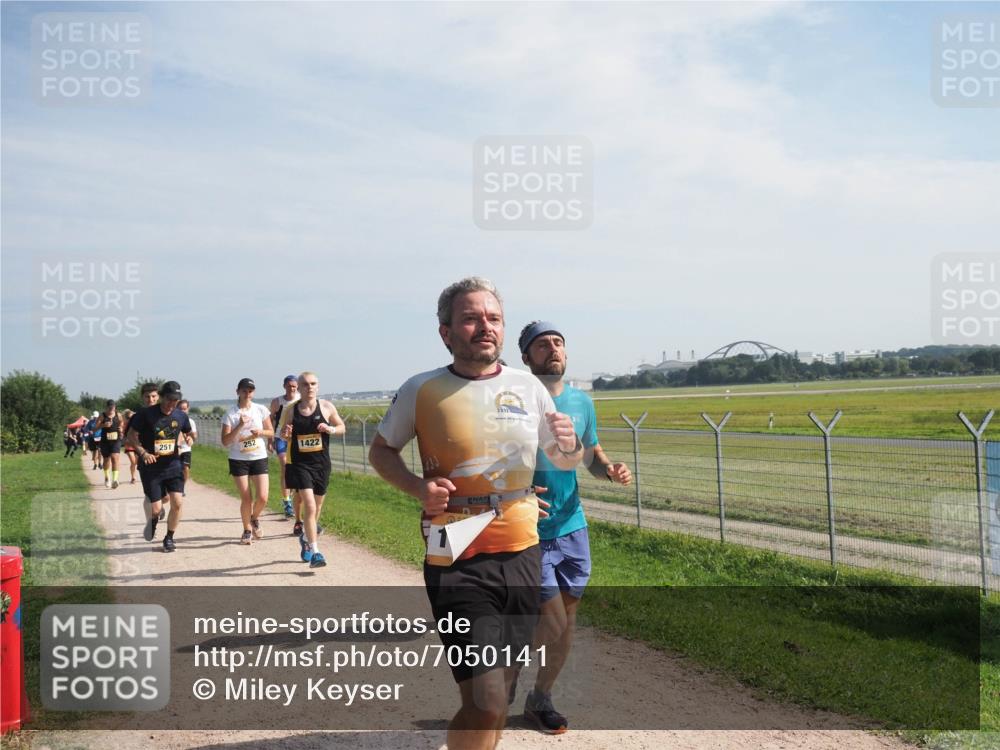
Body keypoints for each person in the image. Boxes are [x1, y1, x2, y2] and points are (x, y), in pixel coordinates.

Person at [369, 277, 582, 750]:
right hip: (454, 548)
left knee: (494, 698)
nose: (484, 326)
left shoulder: (528, 387)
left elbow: (563, 458)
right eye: (470, 318)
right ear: (446, 332)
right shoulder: (422, 389)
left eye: (493, 318)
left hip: (523, 547)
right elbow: (382, 451)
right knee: (487, 700)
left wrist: (571, 444)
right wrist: (417, 487)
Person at [515, 321, 632, 734]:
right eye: (542, 345)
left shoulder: (582, 402)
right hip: (528, 529)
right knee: (552, 622)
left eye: (559, 343)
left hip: (572, 526)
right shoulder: (513, 402)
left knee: (566, 618)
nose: (553, 349)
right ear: (526, 357)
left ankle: (540, 697)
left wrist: (610, 470)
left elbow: (591, 457)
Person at [279, 371, 344, 569]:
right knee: (310, 505)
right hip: (300, 464)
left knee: (317, 506)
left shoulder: (326, 407)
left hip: (321, 464)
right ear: (299, 387)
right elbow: (282, 434)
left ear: (318, 386)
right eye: (305, 384)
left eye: (313, 383)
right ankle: (316, 552)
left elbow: (342, 426)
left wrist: (331, 429)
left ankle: (306, 538)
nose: (310, 387)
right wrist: (286, 433)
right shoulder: (291, 410)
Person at [124, 381, 194, 552]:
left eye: (175, 400)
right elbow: (131, 436)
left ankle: (169, 538)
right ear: (162, 397)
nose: (172, 404)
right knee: (156, 509)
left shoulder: (181, 416)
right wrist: (142, 453)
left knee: (177, 503)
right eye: (169, 399)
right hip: (151, 468)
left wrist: (190, 438)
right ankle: (153, 522)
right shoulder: (145, 415)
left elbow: (187, 432)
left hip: (173, 465)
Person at [221, 379, 274, 545]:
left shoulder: (260, 409)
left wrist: (261, 432)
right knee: (246, 498)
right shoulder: (230, 414)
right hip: (239, 459)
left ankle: (254, 518)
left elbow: (271, 431)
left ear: (254, 392)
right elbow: (225, 441)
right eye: (244, 390)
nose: (247, 393)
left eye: (250, 390)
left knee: (263, 497)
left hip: (258, 456)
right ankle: (246, 530)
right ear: (237, 391)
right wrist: (239, 426)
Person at [269, 375, 299, 522]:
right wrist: (270, 439)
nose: (291, 388)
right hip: (280, 438)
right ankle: (287, 502)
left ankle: (292, 493)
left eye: (294, 386)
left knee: (295, 469)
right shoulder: (277, 402)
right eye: (289, 386)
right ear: (284, 386)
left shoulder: (300, 400)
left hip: (296, 439)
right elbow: (270, 420)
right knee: (285, 467)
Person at [98, 400, 124, 489]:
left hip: (116, 440)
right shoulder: (102, 416)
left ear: (115, 407)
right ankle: (107, 477)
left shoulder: (118, 415)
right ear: (107, 407)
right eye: (109, 408)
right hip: (105, 441)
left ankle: (115, 480)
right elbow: (94, 428)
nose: (111, 410)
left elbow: (121, 422)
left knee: (114, 458)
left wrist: (121, 428)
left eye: (113, 408)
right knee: (106, 460)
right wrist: (103, 425)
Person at [177, 400, 198, 490]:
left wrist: (191, 438)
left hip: (186, 449)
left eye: (184, 409)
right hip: (175, 449)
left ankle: (182, 488)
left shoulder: (191, 422)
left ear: (188, 409)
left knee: (186, 468)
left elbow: (194, 436)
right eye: (180, 409)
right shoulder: (173, 420)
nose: (182, 411)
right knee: (176, 470)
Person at [121, 409, 138, 484]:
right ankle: (133, 477)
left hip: (137, 445)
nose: (130, 419)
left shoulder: (137, 423)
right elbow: (122, 435)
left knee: (136, 462)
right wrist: (124, 439)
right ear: (125, 417)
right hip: (129, 446)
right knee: (133, 462)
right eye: (128, 418)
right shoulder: (124, 425)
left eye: (131, 418)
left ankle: (135, 476)